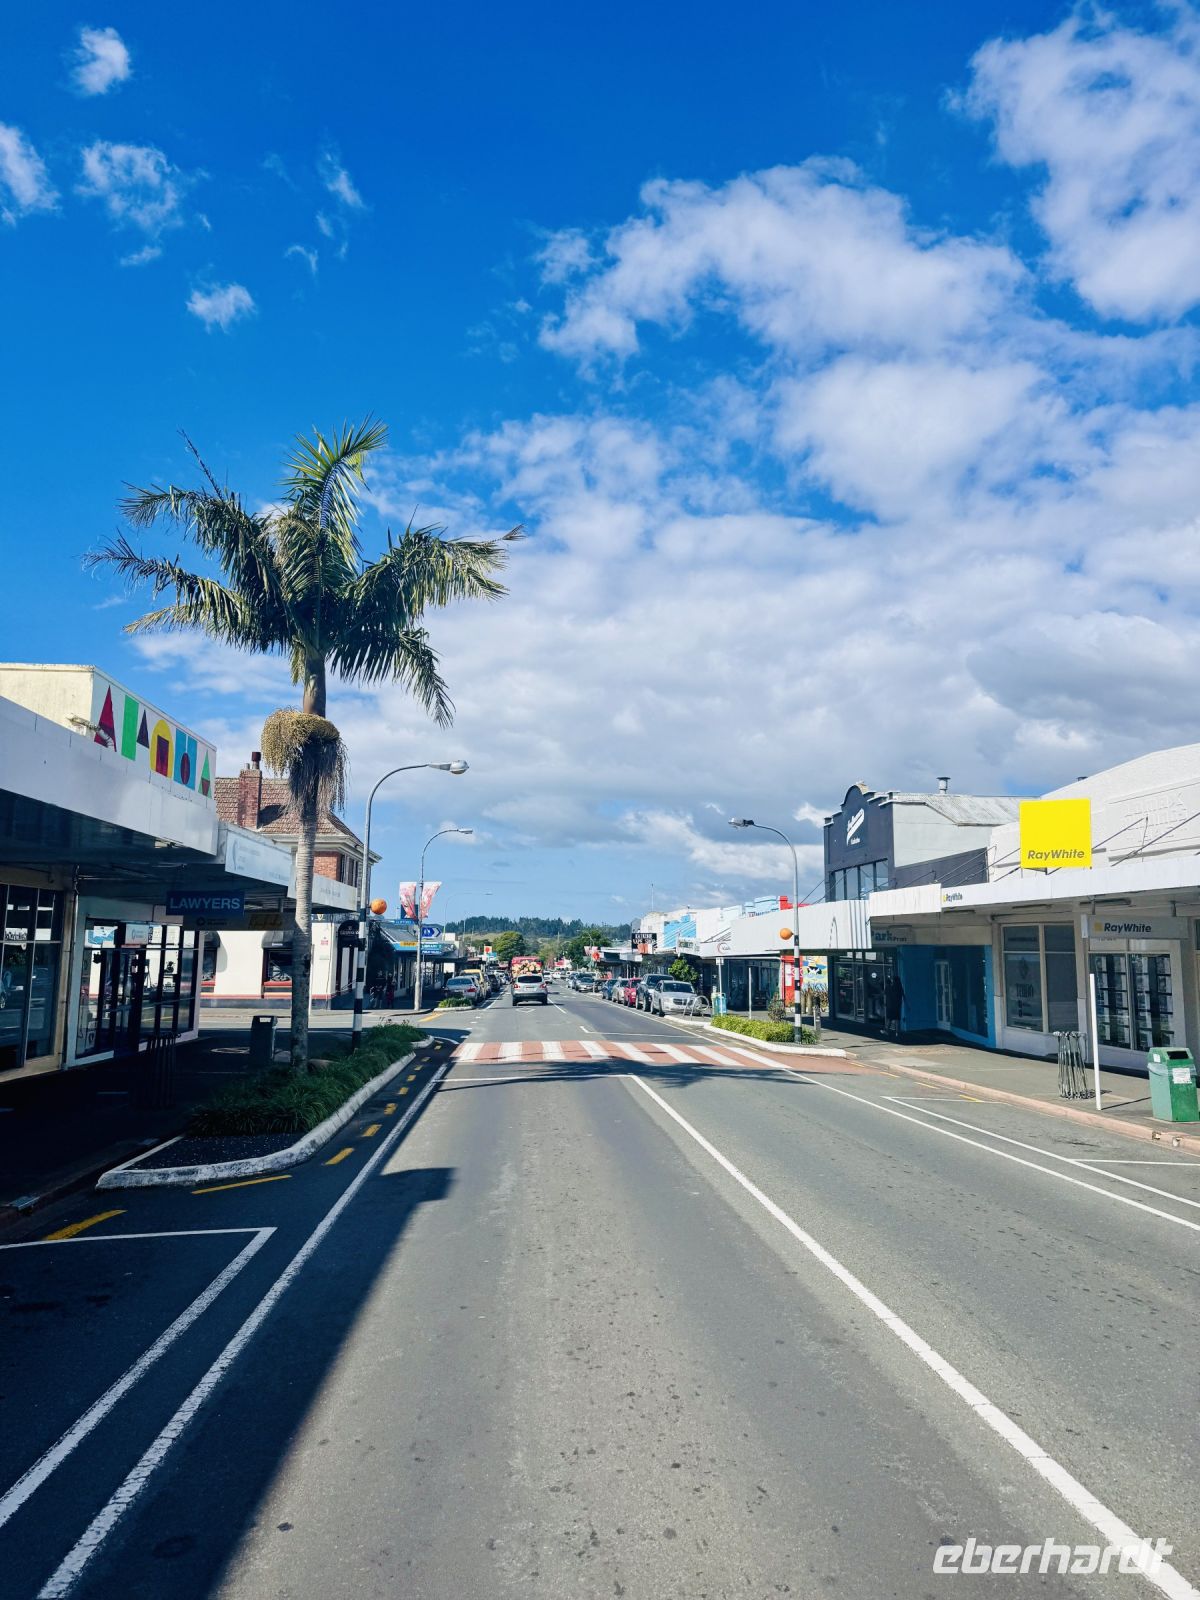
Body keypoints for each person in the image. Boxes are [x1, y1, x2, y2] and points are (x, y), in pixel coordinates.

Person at [884, 969, 904, 1039]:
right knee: (897, 1019)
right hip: (897, 1006)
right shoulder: (900, 988)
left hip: (890, 1006)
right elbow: (902, 996)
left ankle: (887, 1030)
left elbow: (886, 994)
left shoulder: (890, 987)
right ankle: (897, 1032)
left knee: (889, 1019)